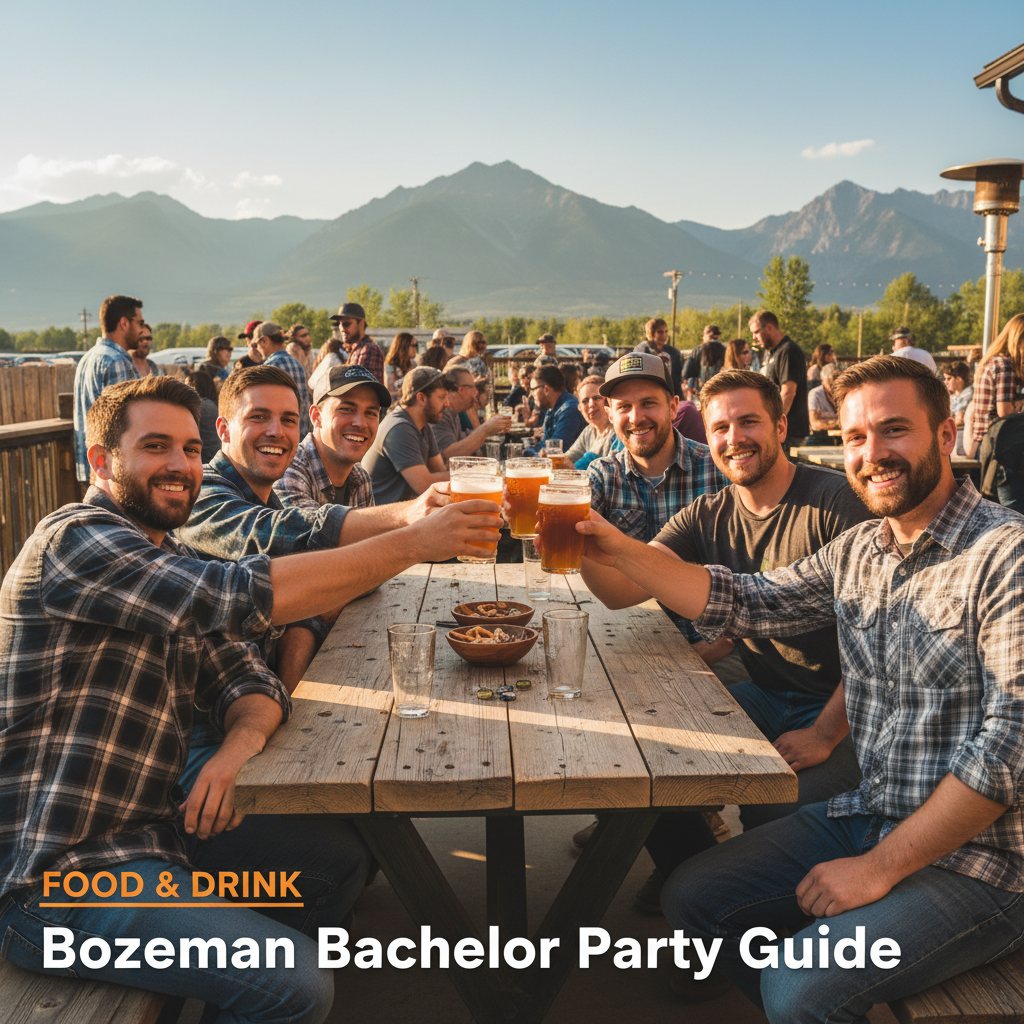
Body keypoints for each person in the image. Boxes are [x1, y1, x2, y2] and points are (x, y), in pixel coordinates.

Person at [0, 373, 499, 1024]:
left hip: (164, 833)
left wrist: (237, 745)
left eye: (185, 449)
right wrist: (409, 540)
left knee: (337, 864)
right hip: (65, 880)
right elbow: (236, 594)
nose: (180, 466)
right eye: (155, 447)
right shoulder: (77, 541)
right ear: (101, 460)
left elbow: (247, 678)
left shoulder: (165, 550)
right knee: (297, 984)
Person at [578, 354, 1024, 1021]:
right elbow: (749, 600)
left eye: (894, 429)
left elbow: (1007, 754)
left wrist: (879, 869)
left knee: (799, 983)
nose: (873, 453)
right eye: (854, 438)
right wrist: (607, 542)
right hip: (874, 812)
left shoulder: (1003, 553)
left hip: (985, 863)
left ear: (947, 435)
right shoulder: (865, 547)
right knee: (692, 897)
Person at [577, 368, 871, 916]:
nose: (733, 438)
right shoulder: (708, 513)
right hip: (765, 693)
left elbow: (879, 648)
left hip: (846, 712)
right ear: (704, 435)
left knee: (774, 811)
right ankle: (695, 885)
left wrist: (824, 735)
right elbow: (621, 592)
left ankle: (735, 916)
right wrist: (587, 543)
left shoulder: (837, 503)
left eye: (748, 422)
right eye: (720, 427)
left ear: (782, 426)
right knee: (637, 760)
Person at [177, 365, 456, 691]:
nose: (276, 431)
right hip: (205, 717)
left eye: (288, 420)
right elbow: (291, 543)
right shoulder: (200, 494)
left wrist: (334, 582)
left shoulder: (273, 496)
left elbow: (353, 574)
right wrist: (408, 518)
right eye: (258, 417)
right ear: (223, 431)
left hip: (258, 694)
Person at [275, 363, 385, 514]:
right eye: (346, 409)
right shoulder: (288, 472)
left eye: (371, 413)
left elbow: (369, 536)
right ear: (316, 416)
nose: (361, 423)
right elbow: (316, 533)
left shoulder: (360, 477)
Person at [73, 294, 141, 484]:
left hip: (91, 463)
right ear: (124, 323)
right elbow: (125, 420)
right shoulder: (117, 361)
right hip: (113, 471)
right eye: (140, 323)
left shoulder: (87, 359)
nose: (142, 330)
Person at [363, 366, 451, 504]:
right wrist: (469, 475)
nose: (447, 403)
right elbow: (425, 485)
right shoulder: (399, 428)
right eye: (441, 397)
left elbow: (440, 471)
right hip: (384, 520)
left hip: (407, 514)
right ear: (421, 398)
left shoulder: (423, 426)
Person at [750, 309, 810, 448]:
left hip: (788, 433)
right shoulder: (771, 352)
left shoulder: (788, 351)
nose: (753, 338)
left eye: (756, 332)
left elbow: (788, 392)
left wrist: (773, 425)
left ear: (769, 327)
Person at [432, 367, 511, 466]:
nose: (476, 392)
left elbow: (463, 439)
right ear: (461, 390)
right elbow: (449, 454)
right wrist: (485, 430)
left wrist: (491, 427)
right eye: (473, 388)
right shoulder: (442, 413)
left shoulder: (453, 413)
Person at [970, 313, 1024, 452]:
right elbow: (1006, 414)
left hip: (986, 442)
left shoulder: (996, 361)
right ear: (1019, 339)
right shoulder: (1005, 366)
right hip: (995, 446)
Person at [253, 321, 312, 435]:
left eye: (257, 344)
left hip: (279, 432)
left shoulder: (269, 368)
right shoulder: (296, 363)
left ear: (265, 341)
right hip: (300, 430)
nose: (257, 349)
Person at [564, 375, 623, 469]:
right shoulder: (589, 431)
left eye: (596, 398)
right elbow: (568, 458)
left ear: (609, 401)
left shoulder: (618, 432)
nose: (591, 404)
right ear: (579, 408)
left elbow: (613, 470)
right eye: (585, 401)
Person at [526, 364, 586, 454]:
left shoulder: (569, 411)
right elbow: (544, 445)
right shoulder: (552, 409)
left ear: (546, 389)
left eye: (534, 389)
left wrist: (525, 454)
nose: (531, 394)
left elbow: (554, 450)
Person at [330, 301, 384, 383]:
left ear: (361, 323)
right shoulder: (354, 349)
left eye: (346, 323)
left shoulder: (370, 349)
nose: (342, 329)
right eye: (340, 324)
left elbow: (371, 389)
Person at [636, 317, 684, 396]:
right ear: (650, 333)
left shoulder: (673, 353)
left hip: (668, 392)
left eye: (666, 332)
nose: (664, 335)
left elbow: (676, 379)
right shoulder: (642, 350)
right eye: (660, 332)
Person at [183, 369, 220, 462]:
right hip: (213, 455)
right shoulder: (213, 404)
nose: (184, 389)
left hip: (203, 459)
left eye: (187, 385)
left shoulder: (200, 406)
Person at [807, 362, 840, 443]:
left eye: (836, 380)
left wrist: (826, 417)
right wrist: (837, 423)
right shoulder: (815, 394)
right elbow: (815, 424)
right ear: (822, 380)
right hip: (819, 437)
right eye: (830, 382)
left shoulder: (842, 392)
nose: (833, 385)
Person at [384, 332, 419, 400]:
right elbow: (391, 391)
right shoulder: (390, 366)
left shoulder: (413, 364)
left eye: (416, 345)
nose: (415, 349)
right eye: (413, 345)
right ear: (404, 347)